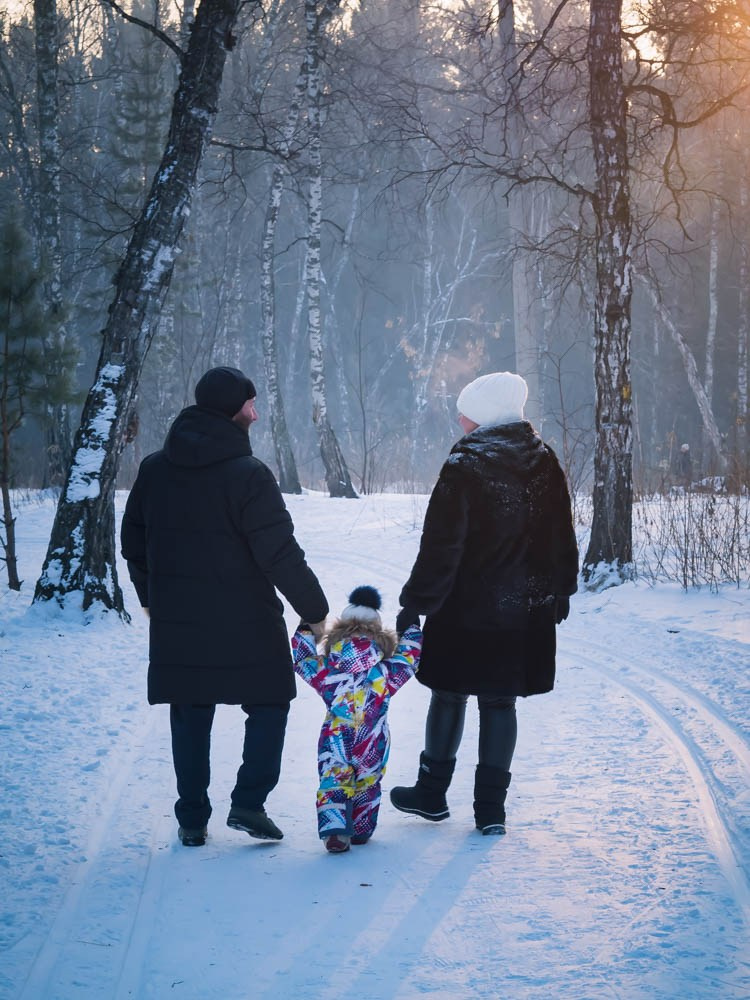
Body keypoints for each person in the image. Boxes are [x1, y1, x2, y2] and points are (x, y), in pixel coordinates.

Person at [120, 366, 328, 847]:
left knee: (190, 710)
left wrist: (150, 597)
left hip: (179, 620)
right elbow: (280, 554)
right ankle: (249, 802)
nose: (256, 413)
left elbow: (133, 542)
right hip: (247, 619)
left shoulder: (154, 468)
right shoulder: (249, 475)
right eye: (251, 404)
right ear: (234, 409)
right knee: (271, 700)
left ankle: (192, 817)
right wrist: (315, 613)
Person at [390, 371, 579, 835]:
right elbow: (561, 534)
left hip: (465, 610)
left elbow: (442, 545)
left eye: (467, 412)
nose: (460, 419)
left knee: (449, 694)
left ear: (488, 415)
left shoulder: (466, 464)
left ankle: (431, 795)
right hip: (523, 611)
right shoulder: (544, 460)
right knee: (500, 703)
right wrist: (561, 588)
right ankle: (490, 811)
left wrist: (416, 603)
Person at [292, 586, 421, 853]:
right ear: (379, 636)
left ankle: (336, 832)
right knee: (368, 782)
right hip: (372, 740)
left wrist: (306, 628)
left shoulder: (328, 670)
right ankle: (361, 829)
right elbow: (409, 658)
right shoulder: (384, 672)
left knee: (334, 780)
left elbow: (303, 660)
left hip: (335, 738)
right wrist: (410, 627)